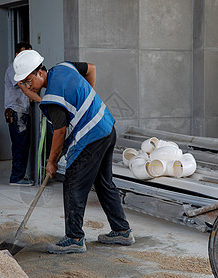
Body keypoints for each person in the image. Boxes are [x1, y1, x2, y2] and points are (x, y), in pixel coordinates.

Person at [13, 50, 135, 254]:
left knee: (73, 183)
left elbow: (59, 134)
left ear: (39, 73)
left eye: (27, 81)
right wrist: (87, 100)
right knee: (104, 183)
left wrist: (51, 162)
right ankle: (122, 230)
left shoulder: (53, 98)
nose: (27, 86)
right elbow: (91, 68)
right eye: (24, 84)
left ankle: (74, 238)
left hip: (92, 136)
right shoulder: (63, 67)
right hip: (106, 126)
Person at [4, 42, 37, 186]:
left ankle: (19, 175)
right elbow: (24, 88)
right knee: (20, 145)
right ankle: (16, 177)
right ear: (17, 55)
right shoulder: (13, 69)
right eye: (25, 54)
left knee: (23, 144)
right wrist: (43, 100)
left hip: (23, 111)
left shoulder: (26, 70)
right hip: (16, 113)